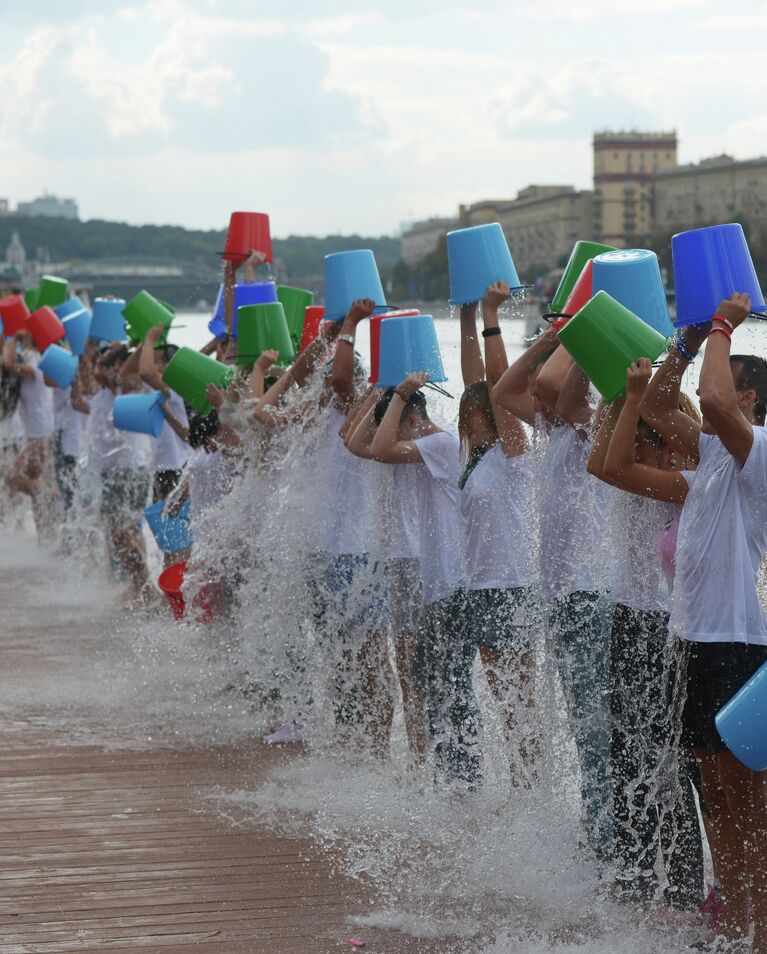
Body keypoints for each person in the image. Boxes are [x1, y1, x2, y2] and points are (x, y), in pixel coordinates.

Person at [641, 294, 767, 952]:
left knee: (747, 805)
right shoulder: (713, 459)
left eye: (727, 379)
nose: (711, 389)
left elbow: (712, 402)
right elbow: (659, 408)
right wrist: (685, 345)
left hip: (740, 646)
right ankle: (737, 921)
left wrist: (722, 326)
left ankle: (757, 929)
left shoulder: (759, 453)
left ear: (748, 400)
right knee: (714, 798)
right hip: (696, 640)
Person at [588, 374, 705, 910]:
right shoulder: (636, 468)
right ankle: (635, 872)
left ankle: (682, 881)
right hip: (632, 619)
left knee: (673, 760)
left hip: (672, 629)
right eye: (638, 439)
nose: (638, 446)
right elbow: (599, 457)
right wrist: (624, 397)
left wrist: (641, 400)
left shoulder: (691, 480)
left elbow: (607, 466)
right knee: (627, 752)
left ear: (673, 440)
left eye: (650, 439)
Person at [370, 371, 476, 786]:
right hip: (440, 584)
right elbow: (368, 444)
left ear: (412, 420)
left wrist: (399, 394)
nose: (395, 436)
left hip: (452, 583)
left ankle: (462, 779)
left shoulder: (444, 443)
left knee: (448, 684)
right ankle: (447, 775)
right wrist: (384, 393)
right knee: (431, 679)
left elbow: (379, 450)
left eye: (398, 424)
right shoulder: (431, 448)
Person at [457, 284, 541, 786]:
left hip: (513, 584)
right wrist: (465, 317)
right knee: (502, 698)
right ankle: (519, 783)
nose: (465, 421)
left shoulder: (514, 456)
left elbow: (496, 383)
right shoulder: (478, 460)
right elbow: (475, 379)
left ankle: (529, 786)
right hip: (483, 587)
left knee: (522, 697)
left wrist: (491, 317)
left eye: (474, 411)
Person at [3, 328, 59, 542]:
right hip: (37, 434)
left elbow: (8, 363)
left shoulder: (36, 367)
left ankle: (47, 494)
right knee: (33, 481)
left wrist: (14, 337)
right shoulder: (36, 364)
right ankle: (45, 540)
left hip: (41, 435)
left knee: (13, 479)